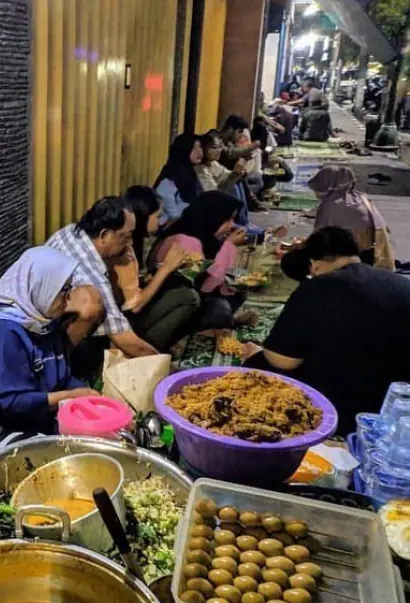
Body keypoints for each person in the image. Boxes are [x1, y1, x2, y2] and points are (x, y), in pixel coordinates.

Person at [245, 227, 410, 437]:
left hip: (337, 408)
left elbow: (282, 360)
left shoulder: (318, 287)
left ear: (314, 264)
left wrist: (255, 354)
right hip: (394, 408)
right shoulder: (400, 283)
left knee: (257, 364)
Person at [0, 247, 99, 435]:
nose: (69, 297)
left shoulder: (42, 322)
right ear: (41, 287)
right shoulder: (4, 332)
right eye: (63, 290)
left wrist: (88, 397)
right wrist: (70, 396)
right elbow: (7, 403)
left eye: (69, 289)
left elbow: (60, 375)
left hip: (33, 419)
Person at [45, 196, 160, 365]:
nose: (129, 244)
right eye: (126, 237)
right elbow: (125, 339)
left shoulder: (71, 232)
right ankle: (59, 365)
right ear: (104, 235)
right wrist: (166, 367)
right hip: (40, 335)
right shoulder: (90, 275)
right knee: (97, 312)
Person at [148, 191, 253, 331]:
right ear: (213, 217)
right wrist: (229, 246)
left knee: (238, 290)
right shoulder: (186, 242)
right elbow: (204, 288)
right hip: (173, 306)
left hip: (192, 294)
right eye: (228, 219)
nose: (232, 225)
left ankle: (225, 322)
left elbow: (213, 275)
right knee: (219, 311)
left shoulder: (199, 232)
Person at [118, 185, 201, 350]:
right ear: (142, 217)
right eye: (158, 216)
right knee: (189, 297)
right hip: (121, 323)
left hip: (126, 311)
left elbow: (131, 282)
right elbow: (133, 306)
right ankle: (146, 349)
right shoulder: (123, 247)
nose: (162, 221)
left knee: (178, 285)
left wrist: (155, 272)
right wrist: (165, 269)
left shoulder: (136, 240)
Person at [154, 133, 204, 225]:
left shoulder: (191, 173)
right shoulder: (172, 175)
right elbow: (173, 214)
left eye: (200, 146)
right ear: (183, 149)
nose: (199, 151)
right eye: (193, 147)